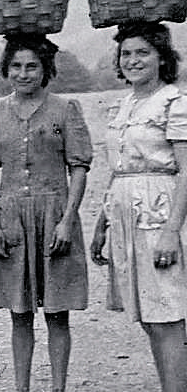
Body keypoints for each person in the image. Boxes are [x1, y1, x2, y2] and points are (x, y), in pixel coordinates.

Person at [0, 34, 91, 392]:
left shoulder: (65, 109)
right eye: (16, 67)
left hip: (54, 215)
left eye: (31, 66)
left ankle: (58, 386)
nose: (23, 74)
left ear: (45, 70)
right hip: (11, 219)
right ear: (6, 70)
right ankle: (21, 386)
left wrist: (67, 220)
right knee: (20, 313)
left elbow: (79, 166)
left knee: (57, 313)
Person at [90, 21, 187, 392]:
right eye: (126, 54)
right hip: (124, 212)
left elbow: (186, 171)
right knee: (149, 317)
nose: (133, 60)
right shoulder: (124, 104)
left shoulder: (175, 102)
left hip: (159, 214)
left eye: (143, 52)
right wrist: (101, 222)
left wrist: (170, 231)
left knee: (167, 314)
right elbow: (118, 170)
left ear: (162, 58)